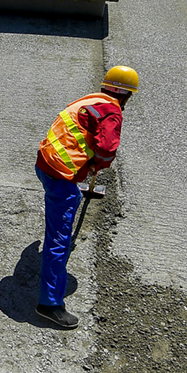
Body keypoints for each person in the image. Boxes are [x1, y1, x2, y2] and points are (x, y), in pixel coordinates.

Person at [33, 65, 139, 329]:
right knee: (58, 241)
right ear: (126, 95)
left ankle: (63, 219)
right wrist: (99, 164)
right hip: (61, 176)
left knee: (65, 207)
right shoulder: (112, 111)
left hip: (44, 164)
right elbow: (106, 150)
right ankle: (49, 304)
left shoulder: (90, 100)